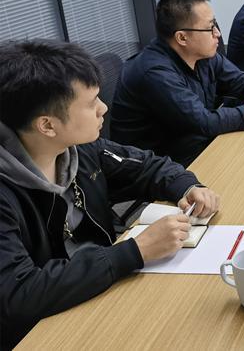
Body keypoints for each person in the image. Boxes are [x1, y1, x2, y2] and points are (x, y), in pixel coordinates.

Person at [0, 40, 221, 349]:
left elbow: (148, 166)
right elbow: (19, 295)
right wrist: (135, 251)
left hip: (104, 288)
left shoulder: (80, 149)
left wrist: (188, 187)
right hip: (47, 329)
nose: (103, 108)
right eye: (91, 103)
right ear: (47, 125)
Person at [111, 0, 244, 166]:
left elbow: (239, 80)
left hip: (197, 147)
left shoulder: (201, 54)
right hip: (164, 165)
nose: (217, 33)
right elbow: (205, 122)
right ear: (182, 37)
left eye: (215, 24)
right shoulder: (154, 73)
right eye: (210, 28)